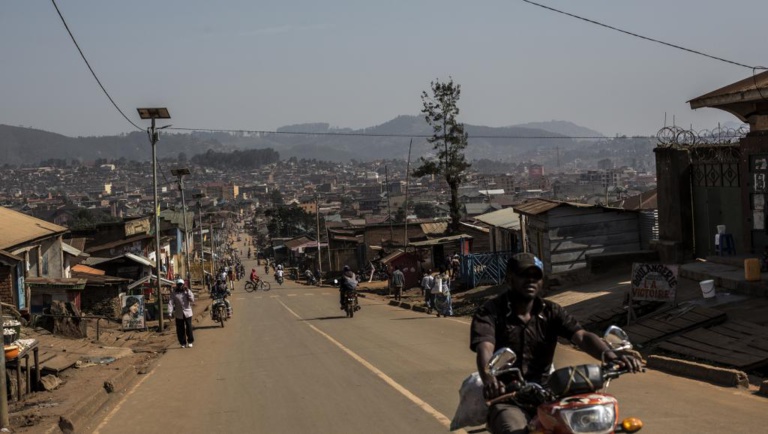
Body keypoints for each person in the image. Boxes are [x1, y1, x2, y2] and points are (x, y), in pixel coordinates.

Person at [470, 252, 643, 434]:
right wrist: (490, 379)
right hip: (509, 397)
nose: (530, 280)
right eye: (523, 275)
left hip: (549, 395)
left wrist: (610, 356)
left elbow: (581, 336)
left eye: (536, 276)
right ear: (509, 279)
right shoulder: (490, 312)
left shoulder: (551, 311)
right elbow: (485, 347)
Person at [168, 278, 195, 348]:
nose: (180, 286)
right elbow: (170, 303)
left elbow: (192, 299)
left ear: (183, 285)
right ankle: (182, 343)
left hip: (187, 313)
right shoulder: (174, 293)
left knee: (189, 327)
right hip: (178, 314)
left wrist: (188, 290)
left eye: (181, 285)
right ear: (176, 285)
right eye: (178, 285)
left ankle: (190, 341)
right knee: (180, 329)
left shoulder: (186, 291)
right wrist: (169, 313)